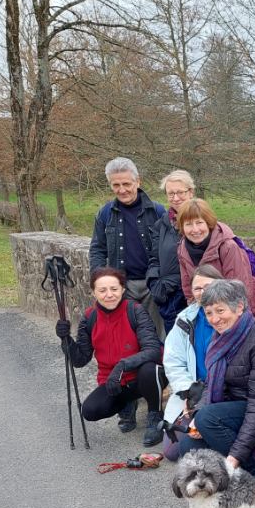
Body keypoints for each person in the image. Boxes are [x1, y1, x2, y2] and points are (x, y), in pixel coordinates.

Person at [179, 279, 255, 478]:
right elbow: (212, 382)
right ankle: (220, 486)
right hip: (236, 406)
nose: (215, 319)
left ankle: (251, 474)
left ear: (239, 307)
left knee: (208, 419)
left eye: (220, 310)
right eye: (209, 313)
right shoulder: (221, 337)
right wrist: (197, 413)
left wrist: (236, 456)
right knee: (188, 447)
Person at [89, 157, 166, 432]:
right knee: (122, 343)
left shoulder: (157, 211)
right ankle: (127, 403)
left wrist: (160, 280)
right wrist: (102, 280)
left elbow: (167, 248)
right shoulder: (105, 214)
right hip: (121, 288)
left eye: (126, 184)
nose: (122, 190)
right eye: (116, 185)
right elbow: (97, 248)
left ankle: (154, 402)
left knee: (154, 343)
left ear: (138, 182)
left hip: (152, 285)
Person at [55, 267, 167, 447]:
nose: (109, 295)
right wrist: (65, 339)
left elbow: (153, 350)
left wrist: (123, 365)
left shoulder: (135, 310)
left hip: (140, 377)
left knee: (150, 369)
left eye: (114, 289)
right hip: (112, 381)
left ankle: (155, 415)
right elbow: (80, 359)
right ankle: (126, 405)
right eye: (102, 290)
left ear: (122, 289)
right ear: (93, 292)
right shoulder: (90, 317)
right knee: (90, 411)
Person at [161, 264, 225, 460]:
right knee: (172, 452)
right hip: (195, 390)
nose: (203, 292)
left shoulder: (231, 317)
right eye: (197, 288)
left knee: (194, 443)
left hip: (225, 390)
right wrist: (189, 390)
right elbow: (173, 361)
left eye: (208, 286)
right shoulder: (184, 320)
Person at [175, 198, 255, 323]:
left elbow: (239, 289)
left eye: (199, 222)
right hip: (209, 313)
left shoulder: (227, 246)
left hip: (238, 310)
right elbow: (188, 288)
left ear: (208, 223)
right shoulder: (182, 249)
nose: (195, 229)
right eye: (188, 224)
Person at [146, 169, 196, 336]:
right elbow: (154, 258)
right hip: (170, 298)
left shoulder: (202, 222)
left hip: (196, 296)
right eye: (170, 193)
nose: (175, 198)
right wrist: (156, 284)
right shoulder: (162, 224)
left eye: (180, 192)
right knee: (176, 350)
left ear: (191, 192)